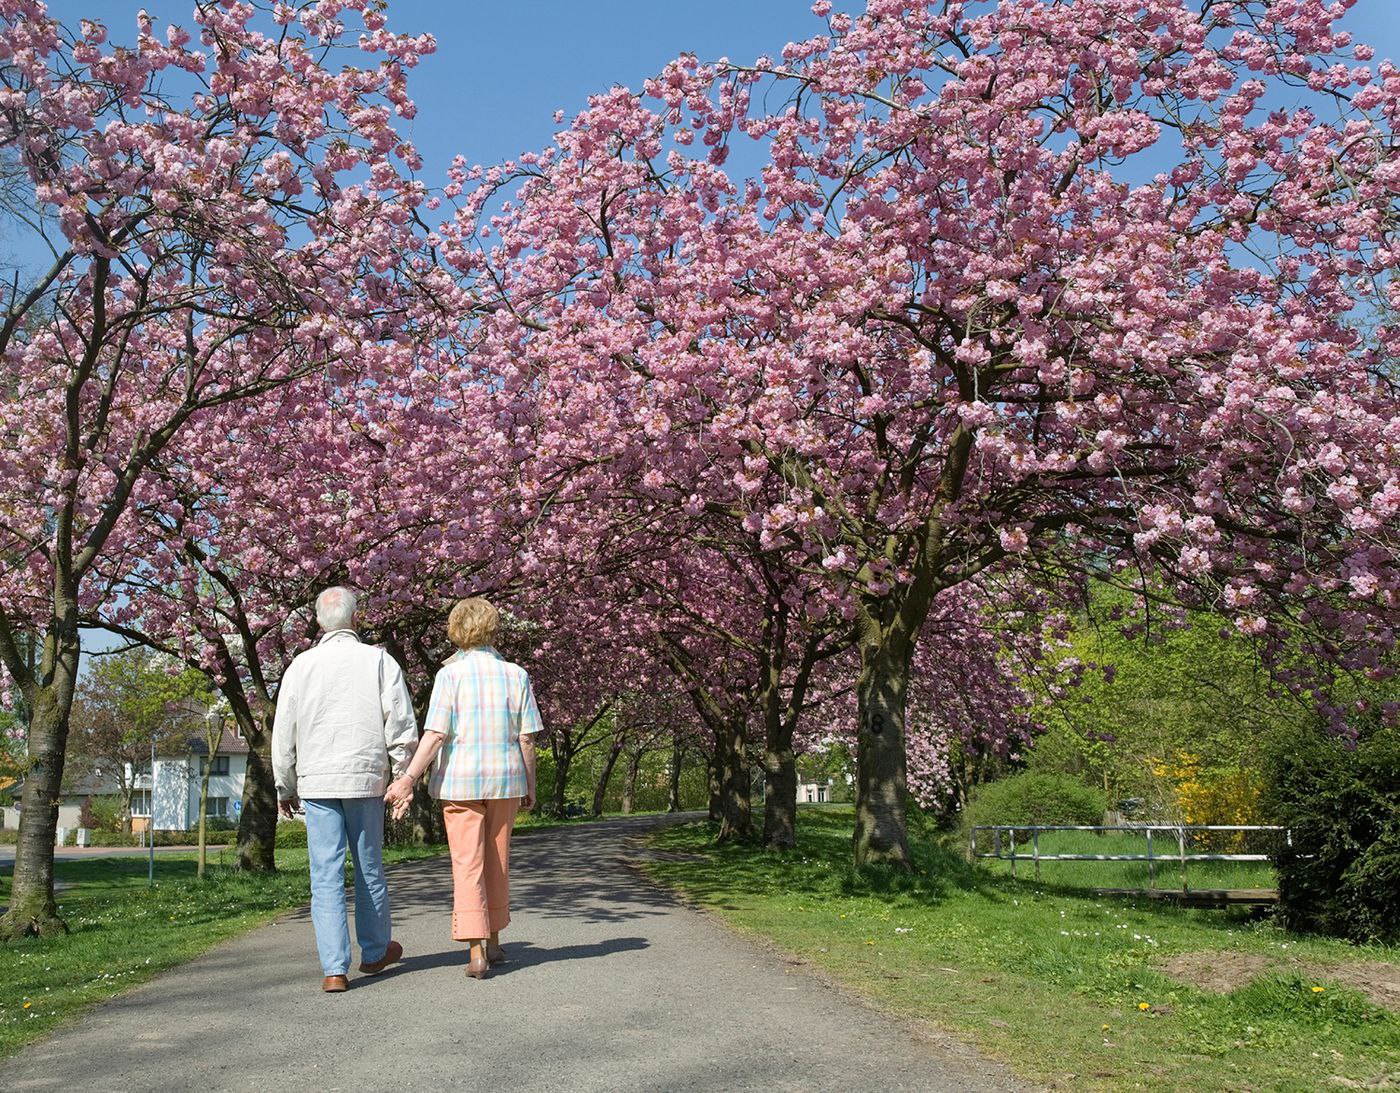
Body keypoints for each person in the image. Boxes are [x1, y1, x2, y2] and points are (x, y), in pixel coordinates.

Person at [384, 596, 541, 980]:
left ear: (456, 631)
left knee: (467, 863)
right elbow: (527, 740)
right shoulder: (516, 675)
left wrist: (408, 778)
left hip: (459, 782)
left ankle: (476, 954)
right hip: (505, 779)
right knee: (497, 860)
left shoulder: (449, 676)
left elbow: (436, 733)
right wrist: (530, 785)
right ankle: (496, 941)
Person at [273, 586, 418, 993]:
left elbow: (284, 731)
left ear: (320, 623)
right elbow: (401, 724)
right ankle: (374, 952)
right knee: (369, 867)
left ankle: (334, 968)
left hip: (317, 780)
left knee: (325, 874)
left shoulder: (300, 666)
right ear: (357, 620)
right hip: (365, 777)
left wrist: (284, 784)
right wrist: (404, 774)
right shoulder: (379, 661)